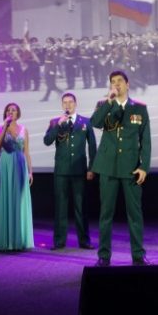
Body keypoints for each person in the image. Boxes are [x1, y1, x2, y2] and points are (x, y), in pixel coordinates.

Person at [90, 70, 151, 266]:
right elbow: (95, 122)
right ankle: (104, 256)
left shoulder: (139, 108)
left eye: (119, 81)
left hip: (131, 168)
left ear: (127, 84)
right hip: (107, 166)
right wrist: (110, 102)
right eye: (112, 82)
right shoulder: (104, 105)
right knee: (106, 214)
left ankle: (138, 255)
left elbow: (146, 140)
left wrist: (144, 167)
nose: (116, 84)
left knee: (135, 214)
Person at [43, 93, 96, 250]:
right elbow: (47, 141)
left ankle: (84, 241)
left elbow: (92, 146)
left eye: (70, 102)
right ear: (62, 105)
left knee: (81, 207)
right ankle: (59, 241)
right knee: (61, 207)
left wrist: (91, 168)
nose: (68, 105)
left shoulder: (85, 122)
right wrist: (58, 125)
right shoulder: (55, 122)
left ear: (75, 103)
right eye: (65, 102)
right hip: (61, 171)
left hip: (79, 171)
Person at [0, 103, 34, 251]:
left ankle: (19, 239)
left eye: (13, 110)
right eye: (8, 110)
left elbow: (26, 152)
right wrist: (5, 127)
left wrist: (30, 171)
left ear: (18, 113)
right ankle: (5, 240)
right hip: (5, 164)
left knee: (19, 200)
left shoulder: (24, 130)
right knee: (5, 197)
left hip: (20, 165)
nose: (10, 112)